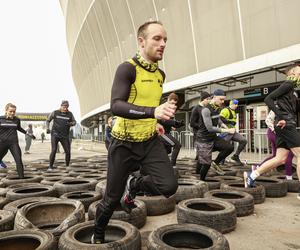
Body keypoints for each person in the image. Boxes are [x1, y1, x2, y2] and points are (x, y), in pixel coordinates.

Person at [92, 21, 178, 244]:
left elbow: (147, 99)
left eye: (165, 40)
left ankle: (135, 185)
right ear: (141, 42)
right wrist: (153, 112)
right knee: (111, 199)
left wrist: (154, 121)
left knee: (169, 186)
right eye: (157, 39)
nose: (163, 44)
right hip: (123, 142)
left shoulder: (161, 74)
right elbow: (117, 105)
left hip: (149, 140)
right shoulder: (127, 68)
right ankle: (97, 234)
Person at [244, 64, 300, 200]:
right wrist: (280, 115)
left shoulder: (293, 90)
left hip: (286, 125)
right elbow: (268, 99)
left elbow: (294, 109)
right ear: (292, 72)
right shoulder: (287, 84)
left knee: (280, 159)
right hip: (286, 124)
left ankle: (252, 176)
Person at [191, 89, 235, 180]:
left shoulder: (217, 107)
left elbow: (217, 119)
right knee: (206, 163)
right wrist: (227, 131)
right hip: (203, 139)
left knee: (229, 148)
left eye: (223, 100)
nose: (222, 102)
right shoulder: (206, 109)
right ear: (214, 97)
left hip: (213, 138)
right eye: (221, 99)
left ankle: (215, 163)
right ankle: (201, 181)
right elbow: (210, 128)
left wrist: (224, 126)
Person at [252, 110, 294, 179]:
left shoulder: (287, 106)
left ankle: (257, 167)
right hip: (275, 133)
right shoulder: (278, 106)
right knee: (288, 155)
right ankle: (289, 178)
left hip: (278, 133)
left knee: (275, 156)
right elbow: (268, 120)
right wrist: (275, 129)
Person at [0, 103, 35, 178]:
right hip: (2, 143)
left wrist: (29, 134)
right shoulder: (0, 119)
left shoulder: (16, 120)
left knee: (18, 160)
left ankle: (22, 179)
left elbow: (19, 128)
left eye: (14, 111)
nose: (12, 113)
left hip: (13, 143)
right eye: (10, 111)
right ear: (6, 110)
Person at [46, 100, 76, 170]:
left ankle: (67, 166)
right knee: (54, 150)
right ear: (61, 106)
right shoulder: (55, 112)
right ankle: (50, 167)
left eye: (66, 107)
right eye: (64, 107)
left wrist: (71, 123)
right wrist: (47, 128)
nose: (65, 108)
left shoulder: (70, 114)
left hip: (64, 136)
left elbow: (74, 122)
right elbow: (48, 120)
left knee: (68, 151)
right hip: (55, 134)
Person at [159, 93, 184, 167]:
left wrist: (173, 126)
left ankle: (162, 165)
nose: (173, 105)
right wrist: (175, 123)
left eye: (174, 104)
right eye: (172, 103)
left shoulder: (171, 109)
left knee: (167, 150)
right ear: (168, 100)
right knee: (177, 145)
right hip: (160, 133)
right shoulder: (163, 107)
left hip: (165, 132)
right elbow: (163, 120)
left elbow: (167, 122)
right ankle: (172, 166)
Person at [219, 99, 247, 164]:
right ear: (231, 104)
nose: (236, 106)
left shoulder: (233, 111)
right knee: (225, 146)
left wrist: (232, 123)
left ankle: (235, 156)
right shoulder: (225, 110)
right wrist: (229, 122)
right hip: (226, 132)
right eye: (235, 104)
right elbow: (220, 119)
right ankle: (221, 159)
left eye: (237, 104)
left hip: (233, 132)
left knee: (243, 140)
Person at [190, 91, 211, 172]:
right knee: (201, 155)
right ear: (204, 99)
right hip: (198, 134)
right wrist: (201, 127)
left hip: (205, 134)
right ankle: (198, 172)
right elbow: (192, 123)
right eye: (208, 99)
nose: (209, 101)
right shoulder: (196, 108)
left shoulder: (206, 109)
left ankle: (198, 171)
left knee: (201, 155)